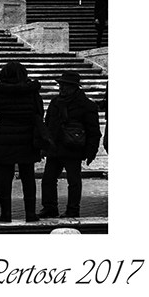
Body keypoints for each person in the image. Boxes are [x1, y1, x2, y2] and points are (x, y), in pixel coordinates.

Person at [0, 61, 47, 222]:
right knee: (28, 177)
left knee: (4, 179)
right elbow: (40, 112)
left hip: (5, 137)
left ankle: (5, 214)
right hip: (27, 137)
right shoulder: (32, 91)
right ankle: (30, 214)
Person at [39, 70, 101, 219]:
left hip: (73, 148)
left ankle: (73, 209)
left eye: (65, 85)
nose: (61, 88)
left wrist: (91, 151)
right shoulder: (55, 102)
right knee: (48, 179)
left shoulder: (86, 105)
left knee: (73, 181)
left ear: (74, 87)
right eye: (61, 85)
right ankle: (50, 208)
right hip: (55, 147)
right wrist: (44, 145)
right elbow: (48, 124)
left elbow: (93, 131)